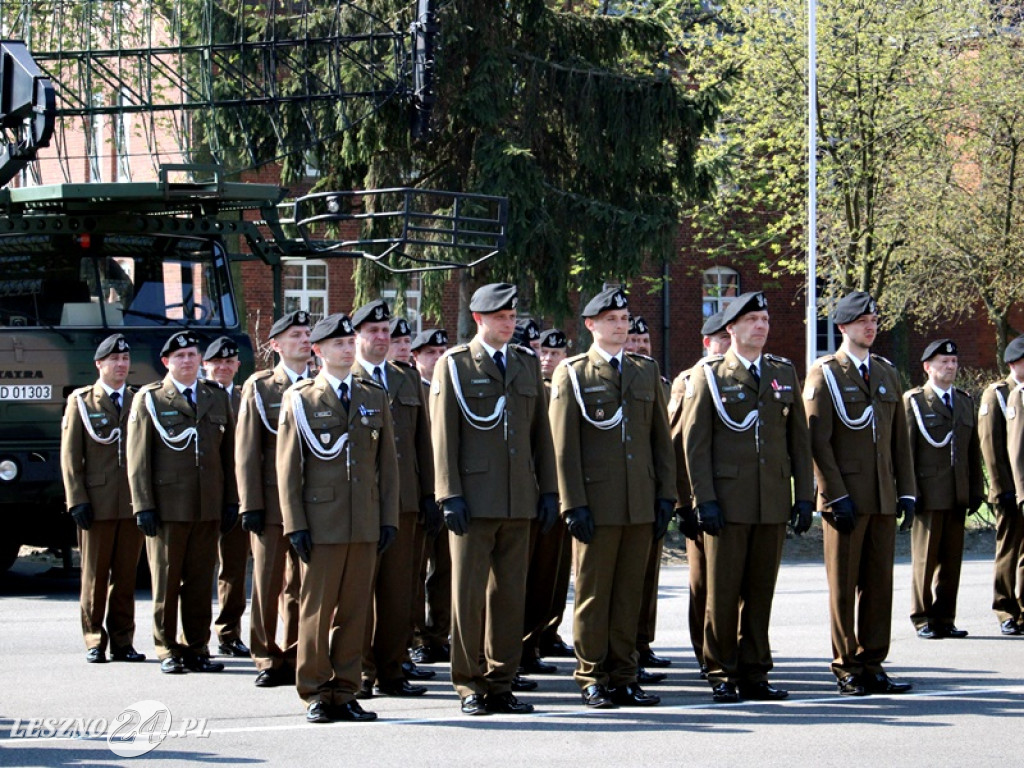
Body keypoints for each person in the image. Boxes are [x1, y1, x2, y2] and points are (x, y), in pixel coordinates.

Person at [430, 282, 558, 716]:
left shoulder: (524, 364)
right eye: (501, 317)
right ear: (480, 319)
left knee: (509, 595)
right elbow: (443, 433)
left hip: (518, 498)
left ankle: (502, 680)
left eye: (513, 316)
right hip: (473, 498)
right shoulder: (456, 365)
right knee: (468, 596)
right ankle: (469, 683)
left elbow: (541, 433)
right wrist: (449, 493)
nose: (510, 323)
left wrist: (549, 490)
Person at [682, 292, 814, 703]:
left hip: (771, 500)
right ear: (731, 329)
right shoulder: (710, 375)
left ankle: (755, 670)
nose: (761, 326)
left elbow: (799, 442)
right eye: (752, 320)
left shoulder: (782, 372)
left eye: (764, 319)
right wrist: (703, 500)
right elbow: (695, 445)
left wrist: (804, 496)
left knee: (760, 591)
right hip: (728, 500)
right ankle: (722, 670)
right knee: (722, 593)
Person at [548, 286, 676, 709]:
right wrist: (573, 503)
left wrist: (665, 496)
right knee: (593, 592)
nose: (620, 327)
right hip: (597, 505)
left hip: (639, 501)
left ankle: (624, 674)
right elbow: (563, 446)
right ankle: (591, 676)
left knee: (628, 595)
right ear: (591, 326)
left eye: (624, 319)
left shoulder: (644, 370)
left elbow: (661, 440)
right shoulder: (574, 373)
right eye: (611, 320)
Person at [277, 313, 399, 723]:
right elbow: (288, 468)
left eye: (350, 343)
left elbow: (388, 466)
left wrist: (387, 518)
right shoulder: (301, 397)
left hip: (363, 520)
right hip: (321, 522)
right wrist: (295, 524)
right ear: (319, 351)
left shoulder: (373, 395)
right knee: (316, 610)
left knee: (354, 610)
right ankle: (314, 689)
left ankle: (346, 689)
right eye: (338, 344)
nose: (347, 349)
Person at [804, 291, 916, 696]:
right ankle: (847, 665)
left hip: (883, 496)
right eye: (861, 321)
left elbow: (899, 440)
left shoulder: (886, 373)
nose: (870, 326)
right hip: (846, 499)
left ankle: (873, 662)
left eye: (873, 319)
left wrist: (907, 492)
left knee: (878, 583)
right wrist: (834, 495)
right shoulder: (825, 374)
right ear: (842, 328)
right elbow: (818, 442)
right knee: (844, 584)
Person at [127, 332, 238, 674]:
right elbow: (138, 457)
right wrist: (143, 505)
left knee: (201, 580)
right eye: (180, 356)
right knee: (166, 580)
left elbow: (228, 453)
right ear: (166, 362)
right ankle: (166, 647)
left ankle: (197, 646)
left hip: (207, 505)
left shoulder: (215, 396)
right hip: (168, 508)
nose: (187, 361)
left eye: (192, 354)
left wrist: (231, 500)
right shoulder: (151, 398)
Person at [349, 299, 439, 699]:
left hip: (405, 504)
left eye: (386, 332)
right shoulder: (341, 378)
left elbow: (423, 443)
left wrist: (430, 495)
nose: (382, 338)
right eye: (374, 331)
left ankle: (393, 669)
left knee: (399, 592)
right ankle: (362, 672)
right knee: (361, 595)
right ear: (356, 337)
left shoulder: (405, 379)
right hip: (361, 506)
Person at [235, 310, 310, 687]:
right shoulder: (261, 387)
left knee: (302, 585)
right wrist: (250, 503)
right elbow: (247, 450)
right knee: (266, 583)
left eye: (307, 333)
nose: (304, 340)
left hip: (313, 504)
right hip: (271, 504)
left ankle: (297, 652)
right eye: (295, 335)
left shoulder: (319, 383)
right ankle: (265, 656)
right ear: (276, 345)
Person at [60, 333, 145, 664]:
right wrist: (76, 499)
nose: (121, 365)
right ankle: (95, 638)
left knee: (126, 577)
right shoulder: (81, 401)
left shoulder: (138, 400)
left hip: (131, 504)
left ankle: (123, 640)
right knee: (94, 576)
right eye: (114, 360)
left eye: (125, 360)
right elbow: (70, 457)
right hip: (96, 503)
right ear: (99, 364)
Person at [904, 339, 984, 639]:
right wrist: (910, 493)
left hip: (957, 493)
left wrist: (976, 489)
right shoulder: (914, 402)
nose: (950, 367)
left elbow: (972, 450)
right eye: (943, 362)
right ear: (927, 367)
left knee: (952, 560)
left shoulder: (963, 400)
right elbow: (906, 452)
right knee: (925, 560)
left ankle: (945, 617)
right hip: (928, 492)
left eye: (953, 362)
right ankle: (922, 616)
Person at [668, 310, 731, 679]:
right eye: (720, 338)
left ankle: (730, 651)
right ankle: (703, 652)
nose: (727, 344)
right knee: (703, 581)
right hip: (700, 498)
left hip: (738, 497)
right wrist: (684, 504)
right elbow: (679, 446)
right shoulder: (689, 380)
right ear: (707, 343)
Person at [521, 328, 574, 674]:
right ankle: (526, 644)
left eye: (554, 353)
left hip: (562, 493)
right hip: (534, 494)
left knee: (555, 573)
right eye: (541, 351)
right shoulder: (533, 391)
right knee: (531, 575)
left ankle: (547, 632)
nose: (547, 358)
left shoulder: (567, 388)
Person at [202, 336, 250, 660]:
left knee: (233, 570)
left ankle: (229, 633)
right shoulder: (196, 397)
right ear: (206, 365)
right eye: (216, 362)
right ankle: (193, 636)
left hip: (239, 497)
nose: (223, 367)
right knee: (199, 570)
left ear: (237, 366)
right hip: (204, 497)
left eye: (229, 362)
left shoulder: (244, 398)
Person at [409, 328, 453, 665]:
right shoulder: (414, 390)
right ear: (416, 357)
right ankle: (416, 636)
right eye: (429, 353)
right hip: (421, 493)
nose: (436, 358)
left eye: (441, 352)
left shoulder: (451, 388)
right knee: (414, 570)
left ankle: (438, 633)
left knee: (445, 569)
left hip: (449, 493)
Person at [979, 335, 1024, 635]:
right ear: (1013, 363)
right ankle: (1005, 608)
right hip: (1008, 487)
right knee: (1008, 550)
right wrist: (1003, 487)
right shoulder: (998, 393)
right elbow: (991, 445)